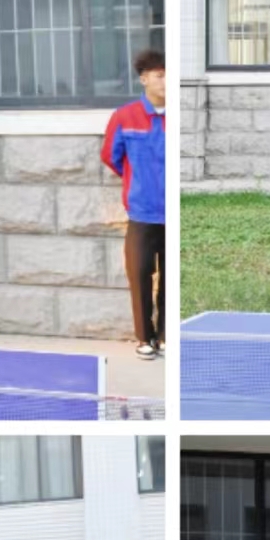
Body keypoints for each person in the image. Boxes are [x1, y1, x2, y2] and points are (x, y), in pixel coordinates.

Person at [102, 48, 167, 360]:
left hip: (173, 213)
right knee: (139, 273)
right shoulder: (124, 116)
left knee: (170, 276)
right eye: (160, 75)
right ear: (144, 79)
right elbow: (111, 157)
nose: (166, 82)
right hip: (142, 212)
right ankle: (145, 337)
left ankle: (165, 336)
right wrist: (136, 181)